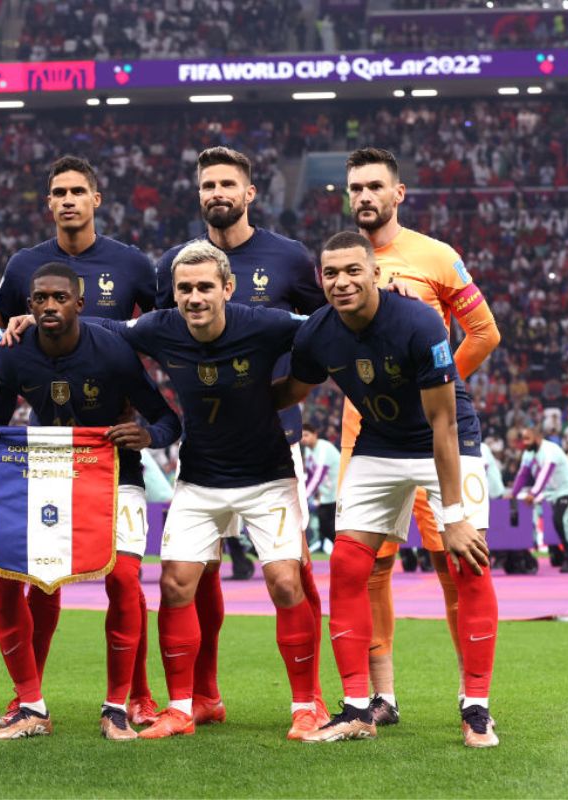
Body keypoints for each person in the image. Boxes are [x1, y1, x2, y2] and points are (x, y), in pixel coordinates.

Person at [6, 241, 327, 740]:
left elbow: (324, 331)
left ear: (228, 287)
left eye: (204, 287)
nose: (194, 297)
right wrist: (37, 318)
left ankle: (307, 705)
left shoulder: (266, 324)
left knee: (286, 582)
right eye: (184, 288)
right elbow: (103, 328)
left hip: (267, 476)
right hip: (199, 476)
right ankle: (180, 708)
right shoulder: (161, 328)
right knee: (176, 585)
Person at [275, 231, 498, 748]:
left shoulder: (419, 321)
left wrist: (456, 515)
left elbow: (441, 422)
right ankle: (356, 708)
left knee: (469, 560)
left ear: (376, 273)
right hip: (378, 443)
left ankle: (477, 708)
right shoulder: (317, 333)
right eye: (331, 273)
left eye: (353, 270)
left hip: (446, 439)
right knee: (350, 565)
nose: (342, 281)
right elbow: (294, 389)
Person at [0, 262, 180, 740]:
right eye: (39, 299)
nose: (48, 306)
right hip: (48, 478)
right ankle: (31, 704)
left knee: (125, 578)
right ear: (29, 306)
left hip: (114, 475)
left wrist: (146, 435)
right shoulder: (15, 354)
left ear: (79, 304)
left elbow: (168, 419)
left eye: (59, 298)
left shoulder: (114, 352)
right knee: (16, 579)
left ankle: (116, 706)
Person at [155, 146, 325, 727]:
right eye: (208, 184)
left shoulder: (289, 257)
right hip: (203, 448)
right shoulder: (177, 264)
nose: (217, 192)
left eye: (228, 182)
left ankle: (311, 697)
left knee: (290, 572)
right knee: (191, 575)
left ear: (250, 192)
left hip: (273, 442)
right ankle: (200, 696)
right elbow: (156, 333)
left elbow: (326, 327)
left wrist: (288, 394)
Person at [0, 155, 159, 726]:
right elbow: (7, 336)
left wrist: (150, 425)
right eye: (57, 192)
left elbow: (159, 334)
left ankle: (135, 694)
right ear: (48, 203)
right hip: (49, 457)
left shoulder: (133, 263)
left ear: (95, 200)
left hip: (112, 448)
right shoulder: (23, 265)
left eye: (77, 192)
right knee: (41, 578)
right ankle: (28, 698)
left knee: (126, 579)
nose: (67, 200)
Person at [342, 146, 501, 725]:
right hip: (365, 436)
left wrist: (437, 385)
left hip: (434, 435)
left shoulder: (435, 257)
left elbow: (483, 332)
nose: (363, 197)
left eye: (374, 187)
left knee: (454, 560)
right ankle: (382, 698)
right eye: (355, 187)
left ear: (397, 193)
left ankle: (472, 697)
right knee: (371, 567)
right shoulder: (340, 265)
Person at [512, 428, 568, 573]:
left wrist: (533, 493)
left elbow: (545, 474)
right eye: (523, 439)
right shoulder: (528, 453)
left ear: (538, 437)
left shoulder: (550, 450)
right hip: (552, 493)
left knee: (563, 520)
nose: (524, 443)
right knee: (558, 523)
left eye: (528, 439)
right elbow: (523, 474)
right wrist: (514, 493)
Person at [300, 425, 340, 550]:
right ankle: (342, 550)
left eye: (306, 435)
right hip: (326, 496)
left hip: (338, 493)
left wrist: (304, 496)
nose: (303, 439)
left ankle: (346, 551)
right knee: (324, 528)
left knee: (335, 528)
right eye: (301, 436)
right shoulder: (308, 450)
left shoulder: (324, 448)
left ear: (315, 434)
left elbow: (318, 476)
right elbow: (310, 475)